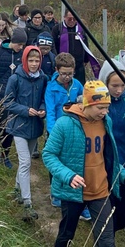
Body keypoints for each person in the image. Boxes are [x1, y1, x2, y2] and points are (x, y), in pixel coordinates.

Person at [42, 79, 125, 247]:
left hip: (100, 190)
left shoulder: (106, 122)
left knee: (106, 240)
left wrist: (124, 175)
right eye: (100, 107)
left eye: (107, 107)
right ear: (87, 103)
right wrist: (68, 176)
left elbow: (108, 157)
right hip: (73, 192)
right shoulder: (64, 124)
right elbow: (48, 155)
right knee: (66, 235)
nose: (105, 112)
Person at [4, 46, 47, 221]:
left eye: (37, 60)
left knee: (26, 160)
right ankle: (27, 202)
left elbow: (45, 98)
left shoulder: (43, 78)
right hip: (19, 126)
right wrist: (25, 110)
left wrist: (42, 109)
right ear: (24, 61)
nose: (34, 64)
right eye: (31, 60)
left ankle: (16, 188)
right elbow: (7, 102)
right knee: (25, 162)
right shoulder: (15, 78)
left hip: (35, 126)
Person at [99, 59, 125, 235]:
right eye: (114, 85)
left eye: (123, 85)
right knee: (106, 219)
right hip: (104, 168)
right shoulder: (99, 106)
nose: (119, 89)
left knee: (122, 215)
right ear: (105, 82)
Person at [44, 53, 84, 211]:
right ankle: (55, 192)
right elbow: (51, 112)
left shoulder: (78, 85)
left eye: (70, 73)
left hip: (74, 129)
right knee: (55, 160)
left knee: (71, 159)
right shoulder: (51, 88)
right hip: (57, 131)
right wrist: (53, 132)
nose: (67, 77)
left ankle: (73, 189)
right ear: (56, 70)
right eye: (63, 74)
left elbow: (82, 103)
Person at [0, 28, 27, 169]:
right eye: (19, 44)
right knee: (3, 125)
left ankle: (5, 154)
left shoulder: (23, 55)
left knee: (12, 127)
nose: (20, 48)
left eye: (23, 45)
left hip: (17, 98)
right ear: (13, 41)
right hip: (1, 96)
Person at [52, 9, 100, 85]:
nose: (72, 21)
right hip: (63, 67)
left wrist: (86, 60)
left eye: (74, 19)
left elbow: (86, 45)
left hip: (79, 67)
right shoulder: (57, 29)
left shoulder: (81, 29)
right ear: (64, 17)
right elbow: (53, 47)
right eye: (69, 19)